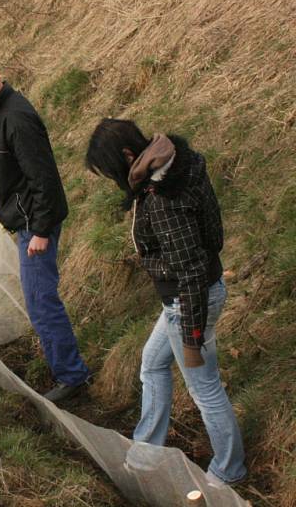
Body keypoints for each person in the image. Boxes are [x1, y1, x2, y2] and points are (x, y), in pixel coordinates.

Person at [85, 118, 246, 485]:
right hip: (197, 292)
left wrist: (191, 337)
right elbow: (209, 238)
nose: (114, 179)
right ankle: (146, 452)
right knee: (152, 364)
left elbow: (188, 271)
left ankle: (228, 470)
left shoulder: (162, 201)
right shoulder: (180, 162)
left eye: (111, 169)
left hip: (188, 303)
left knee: (204, 387)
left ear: (128, 155)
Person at [0, 54, 91, 403]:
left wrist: (42, 230)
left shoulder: (16, 117)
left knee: (41, 302)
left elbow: (44, 178)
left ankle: (72, 378)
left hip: (36, 224)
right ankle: (69, 372)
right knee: (38, 300)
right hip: (27, 218)